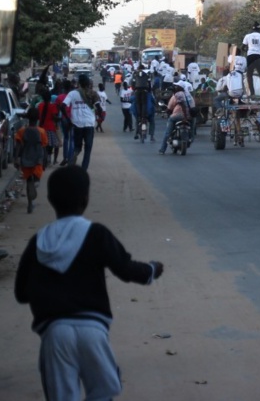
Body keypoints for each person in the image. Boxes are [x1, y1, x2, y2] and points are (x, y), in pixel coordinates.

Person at [14, 166, 163, 401]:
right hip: (92, 330)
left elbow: (21, 293)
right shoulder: (96, 234)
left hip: (54, 333)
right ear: (85, 198)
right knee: (103, 392)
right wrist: (152, 270)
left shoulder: (38, 241)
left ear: (51, 200)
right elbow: (125, 269)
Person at [15, 107, 48, 214]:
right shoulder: (41, 131)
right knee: (36, 177)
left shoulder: (22, 131)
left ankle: (30, 204)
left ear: (28, 117)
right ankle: (36, 182)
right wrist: (45, 160)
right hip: (38, 159)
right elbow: (44, 147)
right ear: (38, 118)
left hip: (26, 158)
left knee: (28, 180)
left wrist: (16, 158)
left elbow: (18, 146)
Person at [62, 76, 99, 170]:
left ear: (79, 83)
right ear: (88, 84)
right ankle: (83, 170)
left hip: (77, 123)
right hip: (89, 123)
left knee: (77, 147)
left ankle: (74, 155)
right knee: (88, 148)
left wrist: (68, 119)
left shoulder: (72, 93)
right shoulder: (93, 93)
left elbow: (62, 106)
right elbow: (99, 108)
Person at [158, 84, 190, 154]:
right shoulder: (187, 95)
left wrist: (167, 111)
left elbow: (169, 108)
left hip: (177, 115)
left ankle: (162, 149)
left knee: (167, 133)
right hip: (187, 116)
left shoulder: (175, 96)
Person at [243, 21, 260, 97]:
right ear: (259, 29)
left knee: (249, 75)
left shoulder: (247, 36)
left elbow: (243, 47)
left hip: (250, 56)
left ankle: (252, 93)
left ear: (252, 29)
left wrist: (247, 50)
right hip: (259, 56)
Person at [37, 90, 62, 165]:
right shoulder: (52, 106)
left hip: (41, 127)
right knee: (55, 144)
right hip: (50, 128)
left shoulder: (40, 105)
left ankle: (44, 158)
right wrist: (60, 118)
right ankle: (52, 159)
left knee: (43, 144)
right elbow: (54, 117)